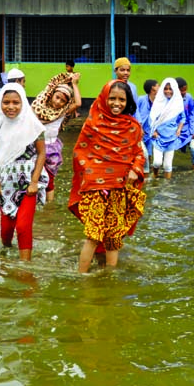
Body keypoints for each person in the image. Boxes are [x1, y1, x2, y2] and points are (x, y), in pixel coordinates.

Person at [70, 80, 146, 273]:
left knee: (114, 237)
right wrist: (94, 174)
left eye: (121, 99)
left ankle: (110, 278)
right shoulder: (92, 123)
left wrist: (134, 170)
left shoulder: (132, 126)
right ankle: (82, 278)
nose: (116, 103)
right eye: (112, 98)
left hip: (119, 189)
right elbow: (80, 153)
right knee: (93, 237)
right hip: (96, 190)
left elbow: (139, 153)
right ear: (104, 98)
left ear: (128, 101)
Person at [0, 83, 48, 261]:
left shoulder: (33, 126)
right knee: (6, 230)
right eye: (6, 102)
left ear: (23, 103)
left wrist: (34, 182)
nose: (11, 107)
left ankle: (25, 266)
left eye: (16, 102)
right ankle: (6, 257)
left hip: (29, 180)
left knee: (23, 226)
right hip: (7, 181)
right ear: (0, 103)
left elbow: (41, 153)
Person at [32, 72, 81, 201]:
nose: (58, 102)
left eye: (63, 101)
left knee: (49, 181)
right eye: (57, 97)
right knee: (33, 178)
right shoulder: (39, 108)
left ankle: (49, 208)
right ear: (51, 94)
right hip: (35, 147)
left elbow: (78, 103)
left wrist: (75, 85)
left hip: (51, 150)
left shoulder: (62, 112)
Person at [149, 78, 185, 179]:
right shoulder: (158, 102)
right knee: (157, 162)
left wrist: (179, 130)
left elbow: (183, 118)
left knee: (168, 165)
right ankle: (154, 177)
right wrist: (154, 131)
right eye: (165, 88)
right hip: (158, 137)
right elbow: (152, 118)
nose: (168, 91)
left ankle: (167, 187)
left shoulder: (178, 103)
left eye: (170, 89)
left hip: (171, 137)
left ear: (174, 90)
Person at [175, 77, 194, 170]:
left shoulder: (189, 98)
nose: (184, 92)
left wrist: (193, 130)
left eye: (185, 90)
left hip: (188, 129)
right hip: (175, 130)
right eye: (182, 90)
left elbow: (192, 114)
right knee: (168, 151)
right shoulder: (170, 100)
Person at [137, 79, 159, 172]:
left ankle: (148, 173)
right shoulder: (141, 100)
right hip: (140, 131)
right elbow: (135, 112)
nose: (160, 88)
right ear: (152, 90)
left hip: (151, 132)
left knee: (149, 154)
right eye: (158, 86)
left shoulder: (159, 102)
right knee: (142, 153)